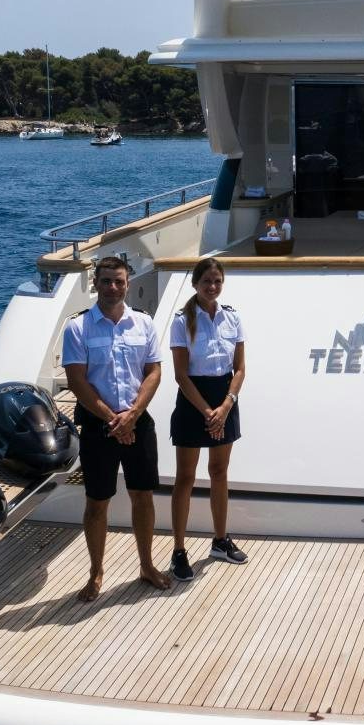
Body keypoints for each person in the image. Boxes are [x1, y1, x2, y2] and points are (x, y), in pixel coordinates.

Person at [63, 255, 169, 602]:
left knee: (143, 496)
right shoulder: (77, 328)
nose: (112, 287)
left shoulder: (144, 324)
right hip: (98, 426)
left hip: (137, 421)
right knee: (97, 502)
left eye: (118, 281)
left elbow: (154, 372)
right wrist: (114, 419)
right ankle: (96, 573)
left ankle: (146, 565)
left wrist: (133, 415)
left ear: (128, 283)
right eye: (106, 281)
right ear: (96, 283)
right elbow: (77, 382)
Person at [167, 256, 247, 582]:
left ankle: (220, 540)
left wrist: (226, 405)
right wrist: (207, 411)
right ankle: (178, 551)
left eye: (217, 281)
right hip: (193, 400)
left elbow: (240, 369)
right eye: (206, 282)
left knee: (219, 471)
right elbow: (181, 375)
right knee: (185, 477)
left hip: (224, 397)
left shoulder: (233, 318)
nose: (212, 287)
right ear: (195, 284)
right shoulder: (181, 321)